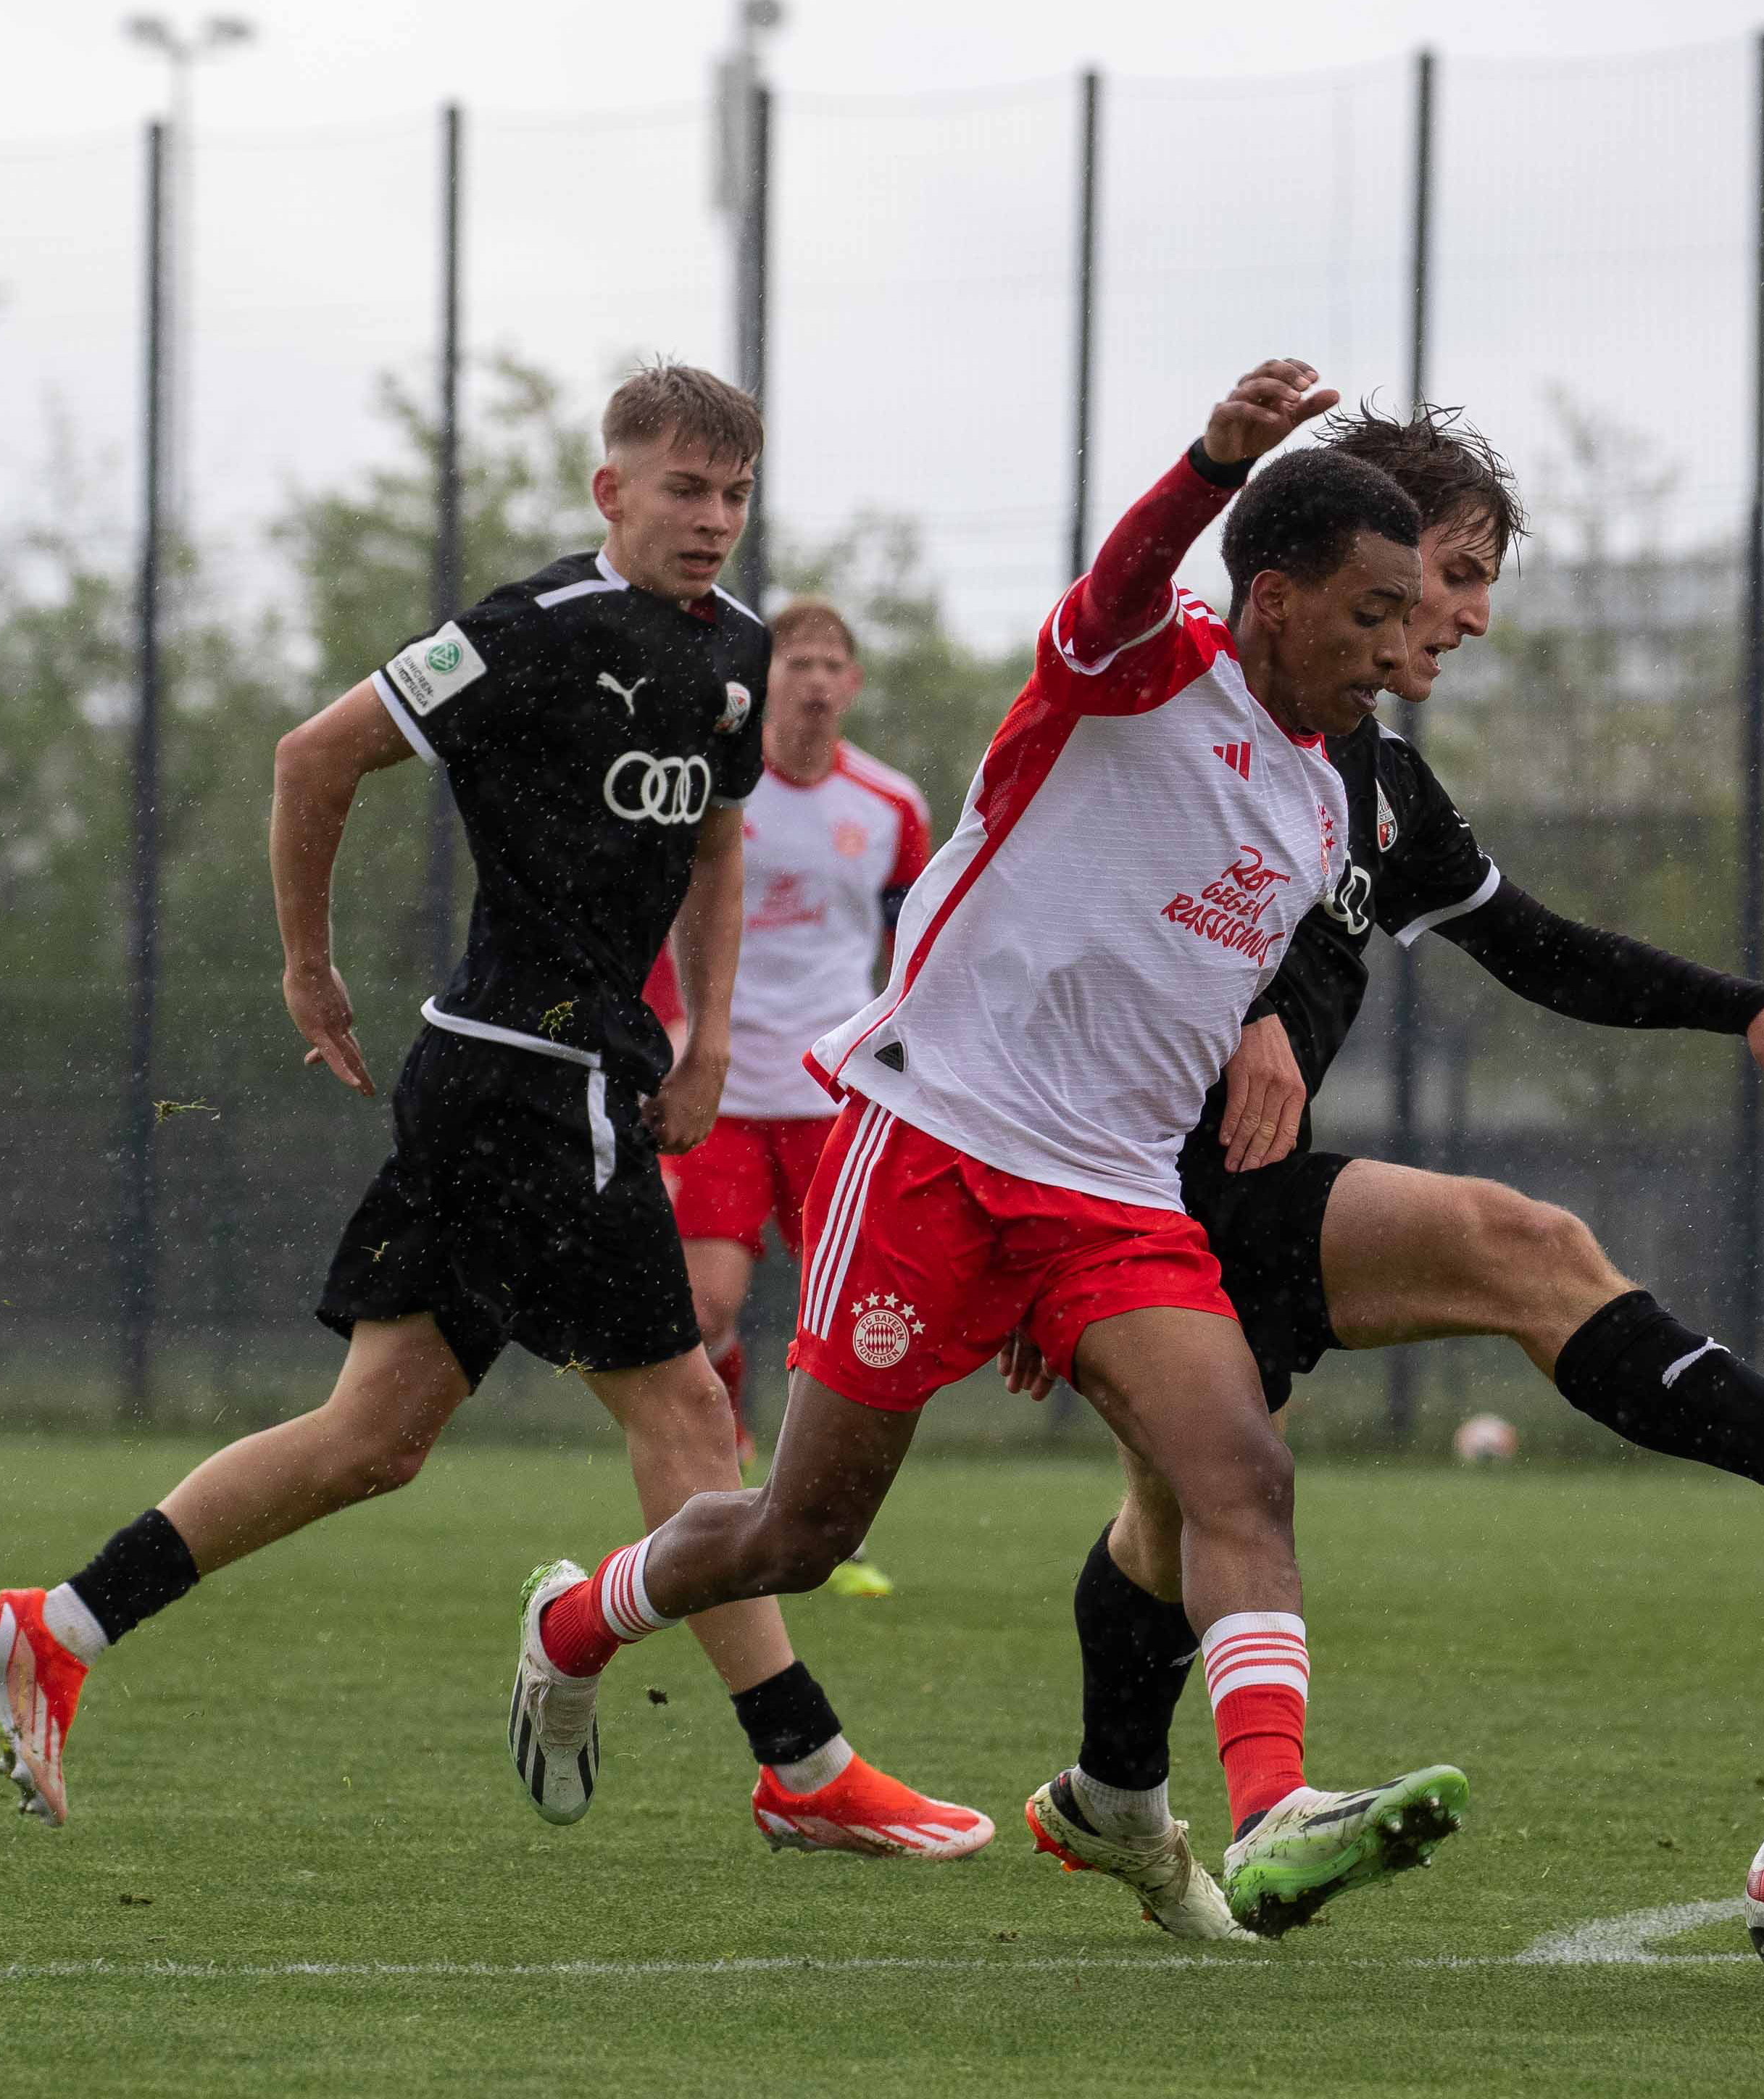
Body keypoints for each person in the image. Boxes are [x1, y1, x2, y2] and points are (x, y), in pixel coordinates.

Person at [1001, 406, 1764, 1939]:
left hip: (1209, 1180)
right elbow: (1093, 882)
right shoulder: (1196, 706)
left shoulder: (1377, 783)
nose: (1476, 615)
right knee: (1516, 1246)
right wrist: (1257, 1017)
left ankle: (1110, 1794)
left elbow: (1538, 950)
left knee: (1175, 1517)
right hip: (1100, 1169)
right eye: (1458, 571)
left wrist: (1743, 1005)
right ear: (1363, 554)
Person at [0, 364, 991, 1861]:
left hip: (562, 1076)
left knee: (372, 1438)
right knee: (686, 1415)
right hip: (524, 1071)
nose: (711, 519)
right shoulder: (528, 633)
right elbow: (313, 755)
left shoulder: (741, 657)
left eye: (733, 495)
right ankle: (800, 1760)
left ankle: (56, 1625)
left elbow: (713, 847)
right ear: (609, 493)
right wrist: (308, 967)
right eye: (682, 490)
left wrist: (699, 1037)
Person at [512, 361, 1470, 1940]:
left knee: (1239, 1468)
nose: (1398, 650)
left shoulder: (1320, 799)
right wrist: (1207, 463)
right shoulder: (1136, 674)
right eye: (1370, 614)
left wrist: (1068, 1281)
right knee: (800, 1534)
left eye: (1408, 618)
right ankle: (579, 1616)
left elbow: (1161, 1010)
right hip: (935, 1143)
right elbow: (1116, 589)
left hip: (1106, 1195)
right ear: (1273, 595)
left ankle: (1277, 1808)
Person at [643, 602, 932, 1612]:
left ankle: (817, 1519)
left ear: (852, 683)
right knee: (706, 1306)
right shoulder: (721, 785)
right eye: (796, 662)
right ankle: (721, 1501)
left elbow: (914, 949)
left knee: (843, 1318)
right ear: (768, 681)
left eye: (830, 664)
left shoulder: (892, 806)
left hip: (834, 1098)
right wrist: (671, 1034)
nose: (813, 680)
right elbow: (664, 911)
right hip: (721, 1090)